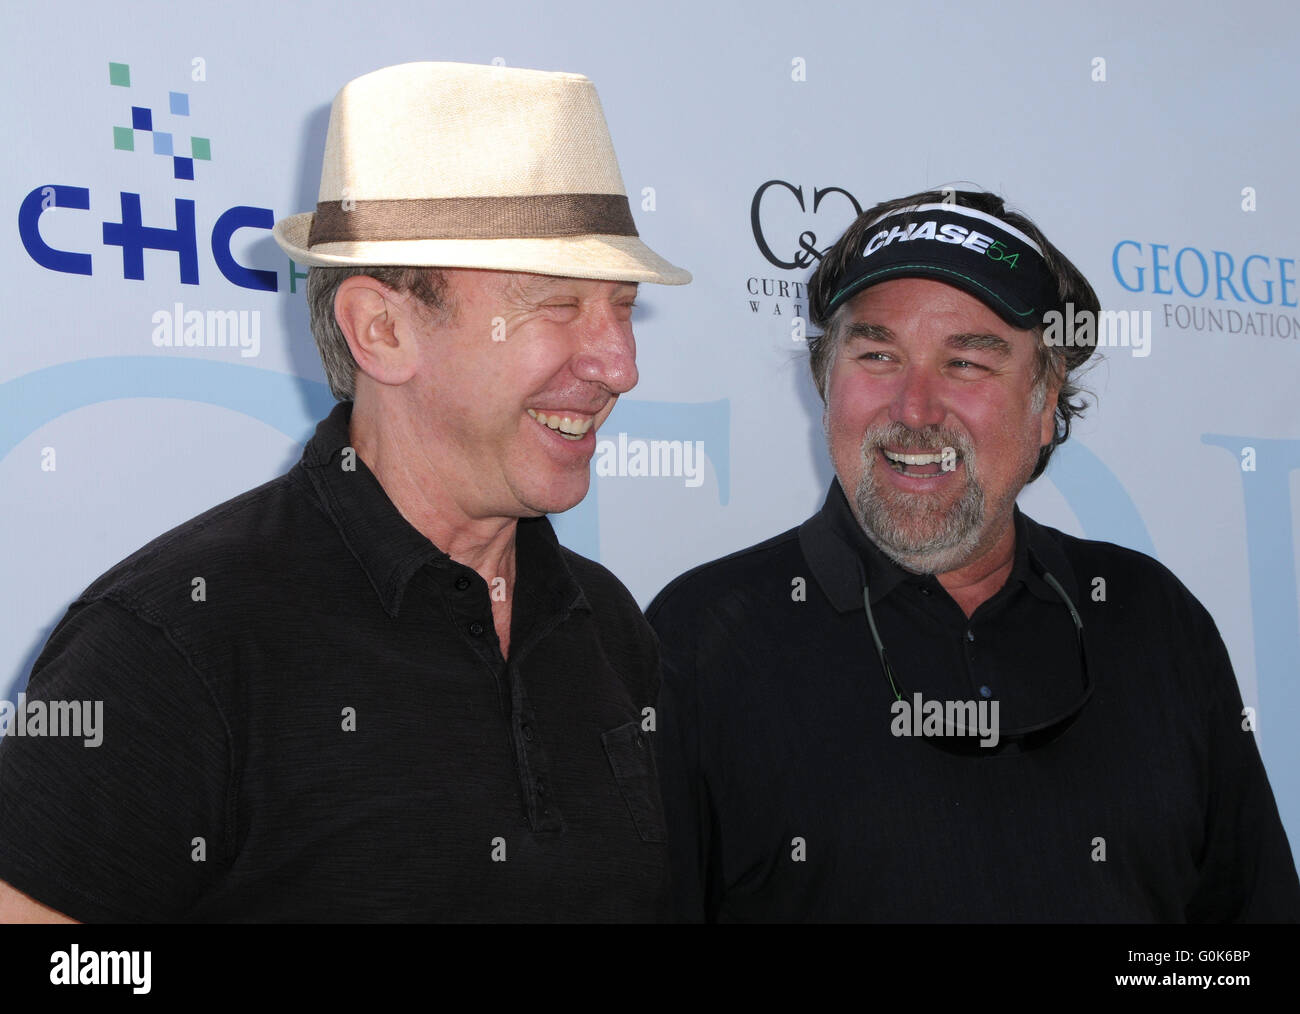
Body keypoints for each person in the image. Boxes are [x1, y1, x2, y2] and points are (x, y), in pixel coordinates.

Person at [0, 61, 689, 922]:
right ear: (382, 328)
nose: (620, 365)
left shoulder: (607, 624)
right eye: (556, 307)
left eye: (622, 307)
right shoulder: (170, 644)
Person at [648, 188, 1300, 922]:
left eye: (966, 364)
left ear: (1046, 403)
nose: (915, 408)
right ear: (825, 383)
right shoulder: (701, 638)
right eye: (876, 354)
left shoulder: (1155, 621)